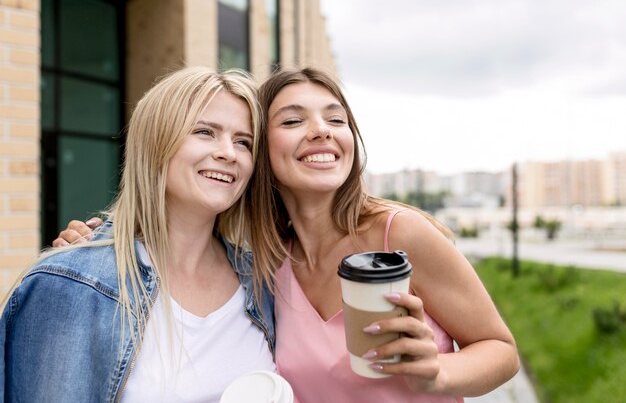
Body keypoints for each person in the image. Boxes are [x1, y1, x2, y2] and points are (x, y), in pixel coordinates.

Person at [53, 67, 520, 402]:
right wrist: (97, 246)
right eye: (293, 120)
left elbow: (501, 351)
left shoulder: (400, 236)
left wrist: (437, 372)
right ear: (262, 155)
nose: (321, 131)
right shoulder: (261, 262)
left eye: (336, 119)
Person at [0, 66, 275, 402]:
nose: (228, 153)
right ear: (156, 142)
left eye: (243, 142)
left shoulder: (263, 285)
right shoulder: (70, 284)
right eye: (205, 131)